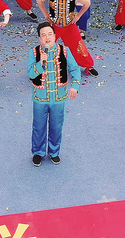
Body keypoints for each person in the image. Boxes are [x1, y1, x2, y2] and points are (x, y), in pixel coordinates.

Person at [27, 22, 81, 166]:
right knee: (38, 126)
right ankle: (38, 152)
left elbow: (75, 69)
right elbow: (31, 74)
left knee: (56, 126)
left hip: (59, 97)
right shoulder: (34, 52)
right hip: (40, 98)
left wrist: (75, 86)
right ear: (39, 38)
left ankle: (54, 152)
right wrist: (40, 63)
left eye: (50, 34)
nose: (47, 37)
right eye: (43, 35)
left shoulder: (64, 51)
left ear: (55, 36)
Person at [36, 0, 98, 76]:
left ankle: (88, 66)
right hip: (54, 26)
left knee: (78, 45)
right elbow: (39, 0)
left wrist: (78, 16)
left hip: (69, 26)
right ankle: (40, 67)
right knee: (47, 46)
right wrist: (45, 14)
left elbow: (87, 3)